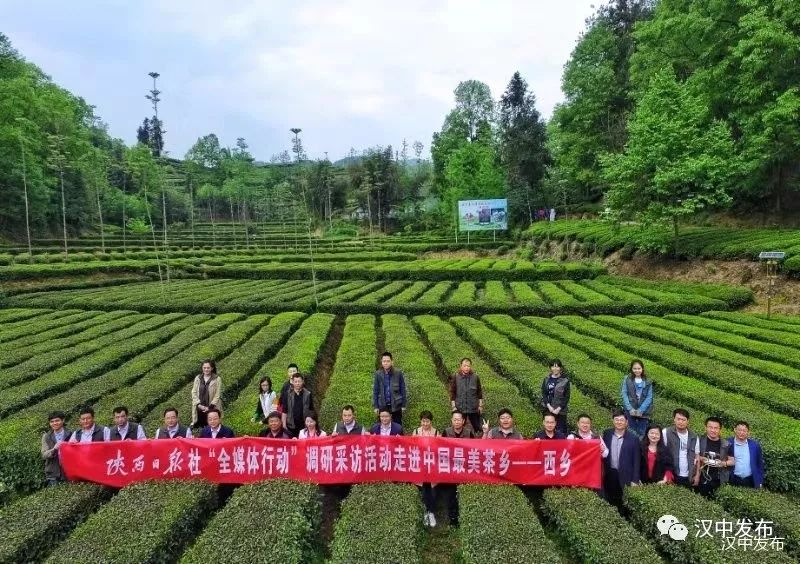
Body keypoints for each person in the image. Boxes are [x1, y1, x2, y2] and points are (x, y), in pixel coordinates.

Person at [601, 410, 641, 506]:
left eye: (621, 420)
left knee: (623, 502)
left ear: (626, 422)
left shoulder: (633, 438)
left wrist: (635, 479)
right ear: (613, 421)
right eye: (616, 420)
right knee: (609, 499)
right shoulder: (607, 434)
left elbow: (637, 460)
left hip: (626, 475)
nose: (619, 422)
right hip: (610, 473)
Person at [694, 416, 734, 497]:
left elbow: (733, 461)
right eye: (710, 427)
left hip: (718, 480)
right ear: (705, 427)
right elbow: (692, 456)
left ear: (720, 429)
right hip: (701, 478)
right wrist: (702, 458)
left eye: (716, 428)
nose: (713, 430)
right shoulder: (699, 440)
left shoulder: (726, 444)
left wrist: (723, 463)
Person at [413, 410, 439, 527]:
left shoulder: (436, 432)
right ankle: (425, 513)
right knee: (423, 491)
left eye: (427, 421)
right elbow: (411, 447)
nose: (425, 424)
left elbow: (441, 448)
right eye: (423, 421)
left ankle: (432, 512)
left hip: (432, 466)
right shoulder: (416, 432)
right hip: (420, 466)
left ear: (431, 421)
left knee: (432, 492)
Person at [662, 408, 699, 488]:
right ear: (674, 419)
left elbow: (697, 456)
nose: (681, 422)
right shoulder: (666, 432)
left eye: (683, 420)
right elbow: (661, 451)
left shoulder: (694, 436)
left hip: (688, 475)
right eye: (678, 419)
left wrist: (697, 475)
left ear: (688, 421)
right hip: (671, 473)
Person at [448, 357, 484, 435]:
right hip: (460, 407)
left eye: (468, 366)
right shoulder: (456, 376)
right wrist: (453, 406)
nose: (466, 368)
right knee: (458, 428)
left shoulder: (475, 377)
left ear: (470, 366)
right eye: (464, 366)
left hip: (473, 407)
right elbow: (452, 392)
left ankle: (478, 442)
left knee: (478, 427)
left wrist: (480, 406)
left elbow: (479, 392)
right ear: (461, 366)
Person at [372, 351, 407, 426]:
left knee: (397, 426)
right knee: (382, 426)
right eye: (384, 361)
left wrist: (403, 405)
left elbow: (402, 389)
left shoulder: (398, 373)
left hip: (396, 405)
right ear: (381, 362)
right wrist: (376, 406)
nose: (386, 363)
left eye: (388, 361)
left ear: (391, 362)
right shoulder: (378, 374)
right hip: (383, 405)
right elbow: (376, 391)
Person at [727, 421, 765, 488]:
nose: (741, 433)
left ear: (748, 432)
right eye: (739, 430)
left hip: (750, 480)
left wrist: (760, 481)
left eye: (744, 431)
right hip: (733, 479)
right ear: (735, 430)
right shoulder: (728, 443)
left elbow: (760, 464)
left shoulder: (755, 445)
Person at [621, 359, 653, 437]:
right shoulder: (627, 379)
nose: (637, 370)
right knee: (631, 432)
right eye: (634, 368)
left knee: (642, 432)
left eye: (639, 368)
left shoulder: (648, 381)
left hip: (644, 411)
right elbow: (624, 393)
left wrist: (641, 410)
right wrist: (630, 408)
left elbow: (649, 397)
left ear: (642, 369)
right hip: (630, 410)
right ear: (632, 369)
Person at [540, 359, 570, 436]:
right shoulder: (546, 379)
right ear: (550, 368)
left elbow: (566, 397)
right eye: (553, 366)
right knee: (548, 431)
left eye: (557, 366)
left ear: (560, 368)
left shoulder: (565, 381)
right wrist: (549, 406)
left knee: (560, 432)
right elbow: (544, 394)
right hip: (548, 409)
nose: (555, 368)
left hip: (560, 411)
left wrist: (558, 408)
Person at [191, 359, 222, 429]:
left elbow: (217, 395)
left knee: (212, 425)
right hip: (199, 407)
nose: (206, 369)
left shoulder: (217, 379)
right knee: (200, 426)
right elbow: (194, 392)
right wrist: (198, 405)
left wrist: (209, 407)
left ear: (212, 368)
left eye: (208, 368)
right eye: (204, 368)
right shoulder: (198, 378)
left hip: (211, 407)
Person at [41, 411, 70, 486]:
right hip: (53, 474)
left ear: (63, 420)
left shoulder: (71, 434)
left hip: (68, 471)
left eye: (57, 420)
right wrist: (54, 449)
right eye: (52, 422)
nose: (54, 423)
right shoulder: (46, 436)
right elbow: (44, 454)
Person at [282, 373, 314, 438]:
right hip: (291, 425)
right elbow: (284, 410)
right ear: (292, 382)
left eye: (299, 381)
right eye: (295, 381)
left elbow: (311, 409)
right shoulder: (287, 394)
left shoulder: (308, 394)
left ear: (302, 382)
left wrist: (311, 423)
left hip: (304, 425)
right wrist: (284, 425)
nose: (297, 383)